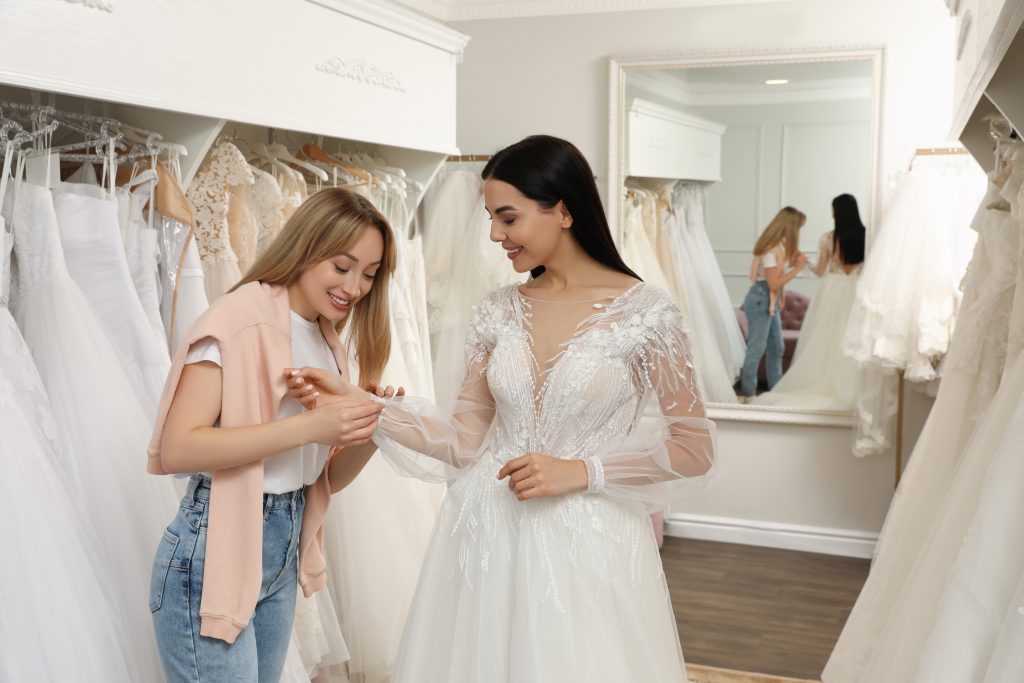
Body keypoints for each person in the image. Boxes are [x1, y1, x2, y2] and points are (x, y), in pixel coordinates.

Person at [286, 135, 716, 683]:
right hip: (485, 532)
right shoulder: (497, 311)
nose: (494, 235)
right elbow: (464, 438)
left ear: (562, 210)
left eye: (507, 218)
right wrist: (363, 404)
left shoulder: (649, 313)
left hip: (589, 538)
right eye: (491, 218)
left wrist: (583, 472)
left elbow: (692, 446)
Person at [146, 188, 394, 683]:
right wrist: (306, 425)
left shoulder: (324, 337)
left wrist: (370, 427)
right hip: (216, 543)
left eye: (369, 274)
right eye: (342, 267)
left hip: (281, 542)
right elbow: (178, 448)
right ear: (306, 248)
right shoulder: (237, 320)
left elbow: (323, 478)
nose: (356, 287)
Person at [753, 194, 866, 410]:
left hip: (832, 289)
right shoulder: (866, 237)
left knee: (825, 338)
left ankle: (823, 379)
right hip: (854, 290)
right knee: (849, 337)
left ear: (837, 212)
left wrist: (804, 263)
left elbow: (821, 271)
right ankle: (850, 384)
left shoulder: (828, 238)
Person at [738, 207, 808, 397]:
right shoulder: (771, 250)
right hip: (761, 299)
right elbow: (774, 282)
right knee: (757, 348)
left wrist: (796, 262)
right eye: (799, 228)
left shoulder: (780, 247)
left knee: (777, 346)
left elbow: (776, 279)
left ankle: (775, 393)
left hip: (769, 299)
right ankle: (748, 394)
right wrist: (797, 269)